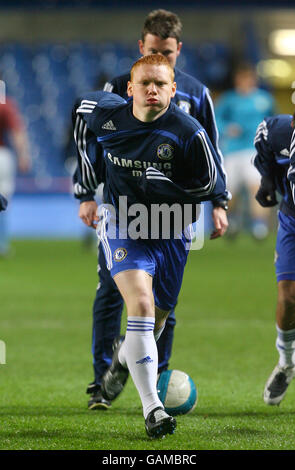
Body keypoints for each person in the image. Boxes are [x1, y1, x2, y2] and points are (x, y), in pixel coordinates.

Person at [73, 8, 228, 410]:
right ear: (141, 48)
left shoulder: (195, 96)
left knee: (162, 305)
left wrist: (218, 203)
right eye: (153, 53)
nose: (154, 84)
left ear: (178, 56)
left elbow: (212, 151)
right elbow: (89, 128)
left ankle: (153, 371)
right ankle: (103, 382)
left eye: (168, 58)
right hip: (124, 210)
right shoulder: (119, 88)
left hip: (175, 217)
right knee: (113, 292)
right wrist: (86, 191)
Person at [253, 105, 295, 405]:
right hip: (292, 216)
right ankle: (287, 361)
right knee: (290, 295)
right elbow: (263, 135)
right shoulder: (278, 131)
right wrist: (267, 177)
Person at [215, 62, 275, 240]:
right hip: (232, 150)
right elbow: (216, 119)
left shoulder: (264, 99)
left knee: (257, 186)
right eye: (243, 78)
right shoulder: (229, 99)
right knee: (230, 190)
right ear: (237, 80)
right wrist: (227, 128)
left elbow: (273, 121)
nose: (246, 81)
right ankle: (231, 220)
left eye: (249, 78)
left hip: (254, 150)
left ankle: (259, 225)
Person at [0, 93, 31, 256]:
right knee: (3, 199)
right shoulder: (5, 105)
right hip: (2, 156)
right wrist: (23, 156)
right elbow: (17, 131)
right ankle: (1, 244)